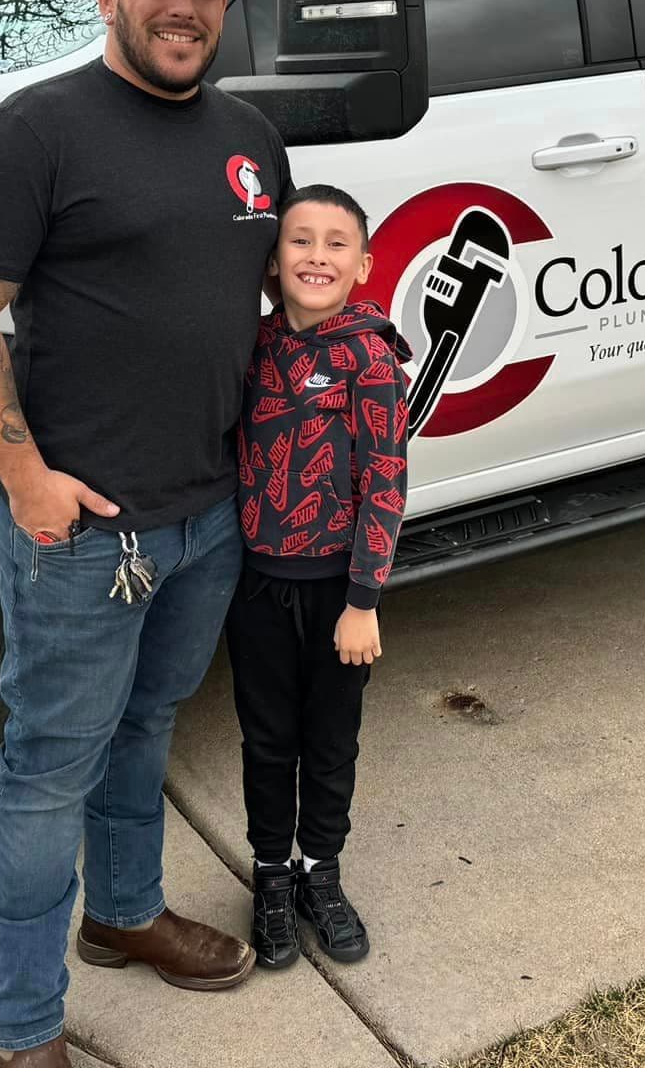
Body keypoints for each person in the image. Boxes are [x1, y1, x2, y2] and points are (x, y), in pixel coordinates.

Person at [0, 0, 291, 1068]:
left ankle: (123, 916)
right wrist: (26, 479)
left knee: (146, 726)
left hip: (208, 515)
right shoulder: (34, 134)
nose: (183, 8)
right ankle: (22, 1026)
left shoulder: (250, 139)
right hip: (80, 529)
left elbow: (259, 309)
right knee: (45, 770)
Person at [227, 184, 412, 970]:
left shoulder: (369, 356)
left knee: (329, 743)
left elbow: (386, 480)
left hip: (338, 593)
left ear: (364, 265)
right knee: (268, 742)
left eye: (337, 244)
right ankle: (271, 876)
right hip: (257, 589)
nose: (317, 256)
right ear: (274, 262)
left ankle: (320, 874)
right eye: (300, 241)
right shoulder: (251, 345)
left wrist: (364, 600)